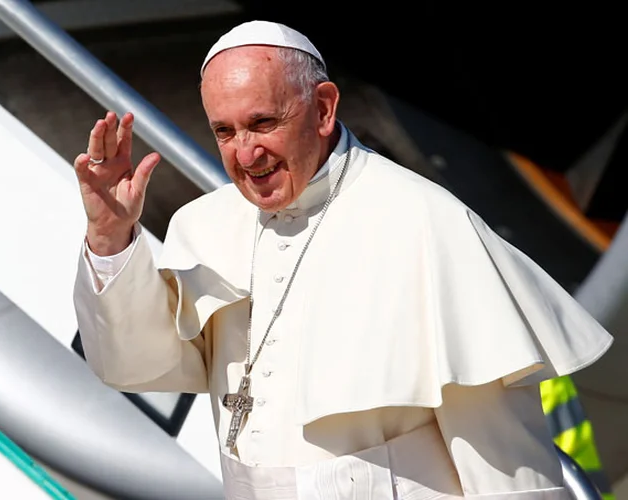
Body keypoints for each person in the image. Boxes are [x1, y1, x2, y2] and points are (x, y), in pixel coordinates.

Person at [72, 20, 613, 499]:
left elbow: (505, 467)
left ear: (324, 108)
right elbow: (136, 365)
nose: (244, 154)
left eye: (262, 123)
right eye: (224, 131)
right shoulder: (204, 225)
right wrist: (111, 236)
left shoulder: (423, 221)